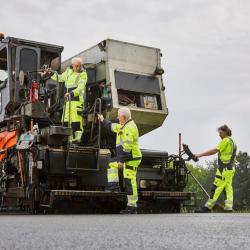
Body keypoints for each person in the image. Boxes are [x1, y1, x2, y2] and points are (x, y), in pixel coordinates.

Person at [98, 107, 142, 214]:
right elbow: (112, 126)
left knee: (129, 182)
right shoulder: (124, 126)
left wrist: (121, 161)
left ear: (123, 117)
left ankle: (132, 207)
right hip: (128, 157)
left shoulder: (129, 128)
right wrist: (103, 120)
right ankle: (114, 187)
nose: (117, 117)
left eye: (118, 116)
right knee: (111, 164)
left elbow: (126, 148)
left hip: (131, 158)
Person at [195, 125, 237, 212]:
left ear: (225, 132)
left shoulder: (226, 140)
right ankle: (228, 207)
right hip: (230, 169)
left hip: (224, 169)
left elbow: (214, 150)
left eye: (220, 133)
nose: (219, 135)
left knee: (217, 187)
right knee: (228, 188)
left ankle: (208, 206)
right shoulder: (233, 141)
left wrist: (200, 155)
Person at [50, 57, 87, 143]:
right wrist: (50, 73)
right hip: (68, 102)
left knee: (76, 123)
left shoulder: (83, 74)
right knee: (65, 121)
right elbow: (59, 78)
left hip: (77, 101)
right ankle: (67, 140)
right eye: (77, 66)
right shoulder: (68, 72)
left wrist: (72, 93)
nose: (78, 68)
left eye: (80, 66)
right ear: (73, 65)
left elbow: (81, 87)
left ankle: (76, 141)